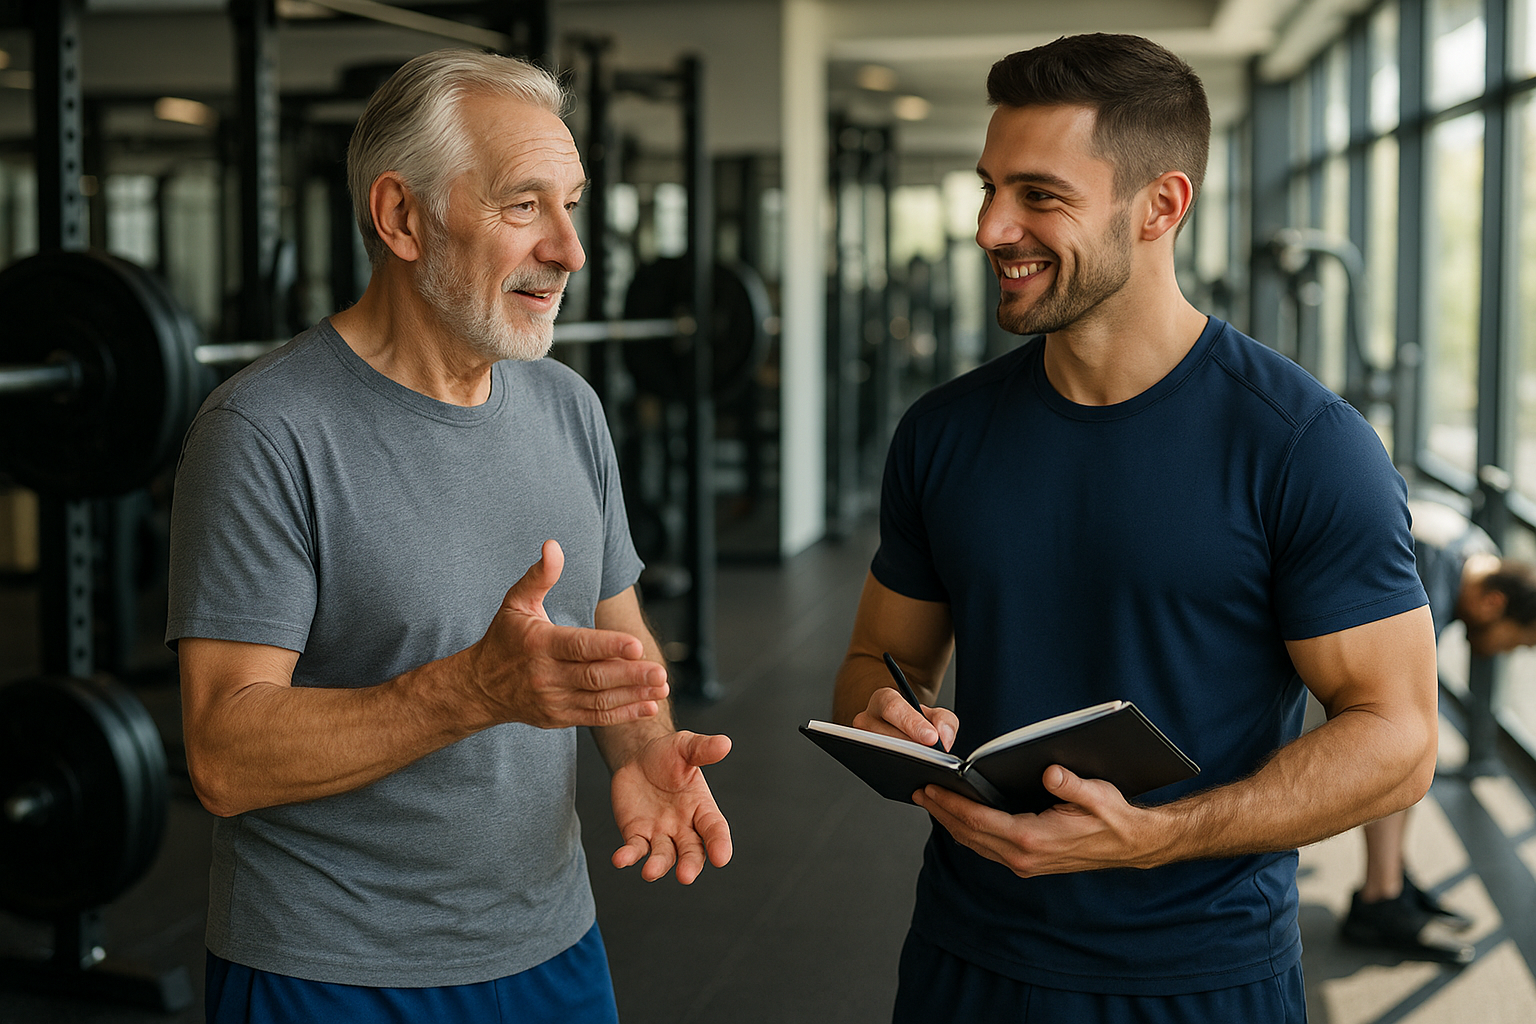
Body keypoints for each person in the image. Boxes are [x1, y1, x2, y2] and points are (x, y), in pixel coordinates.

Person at [830, 33, 1439, 1023]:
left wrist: (1161, 835)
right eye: (987, 188)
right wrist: (887, 714)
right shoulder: (942, 432)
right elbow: (876, 659)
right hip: (965, 955)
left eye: (1039, 195)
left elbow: (1400, 738)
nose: (991, 226)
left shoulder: (1303, 447)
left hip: (1198, 977)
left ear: (1160, 206)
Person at [165, 49, 732, 1024]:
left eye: (573, 203)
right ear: (400, 218)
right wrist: (470, 690)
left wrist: (641, 747)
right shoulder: (264, 431)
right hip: (330, 972)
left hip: (550, 948)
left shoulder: (570, 408)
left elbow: (616, 633)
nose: (570, 249)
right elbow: (223, 753)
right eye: (524, 206)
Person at [1341, 499, 1536, 963]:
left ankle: (1392, 880)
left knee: (1407, 736)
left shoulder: (1470, 551)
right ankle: (1379, 900)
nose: (1508, 651)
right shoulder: (1425, 579)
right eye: (1518, 639)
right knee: (1398, 745)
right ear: (1494, 602)